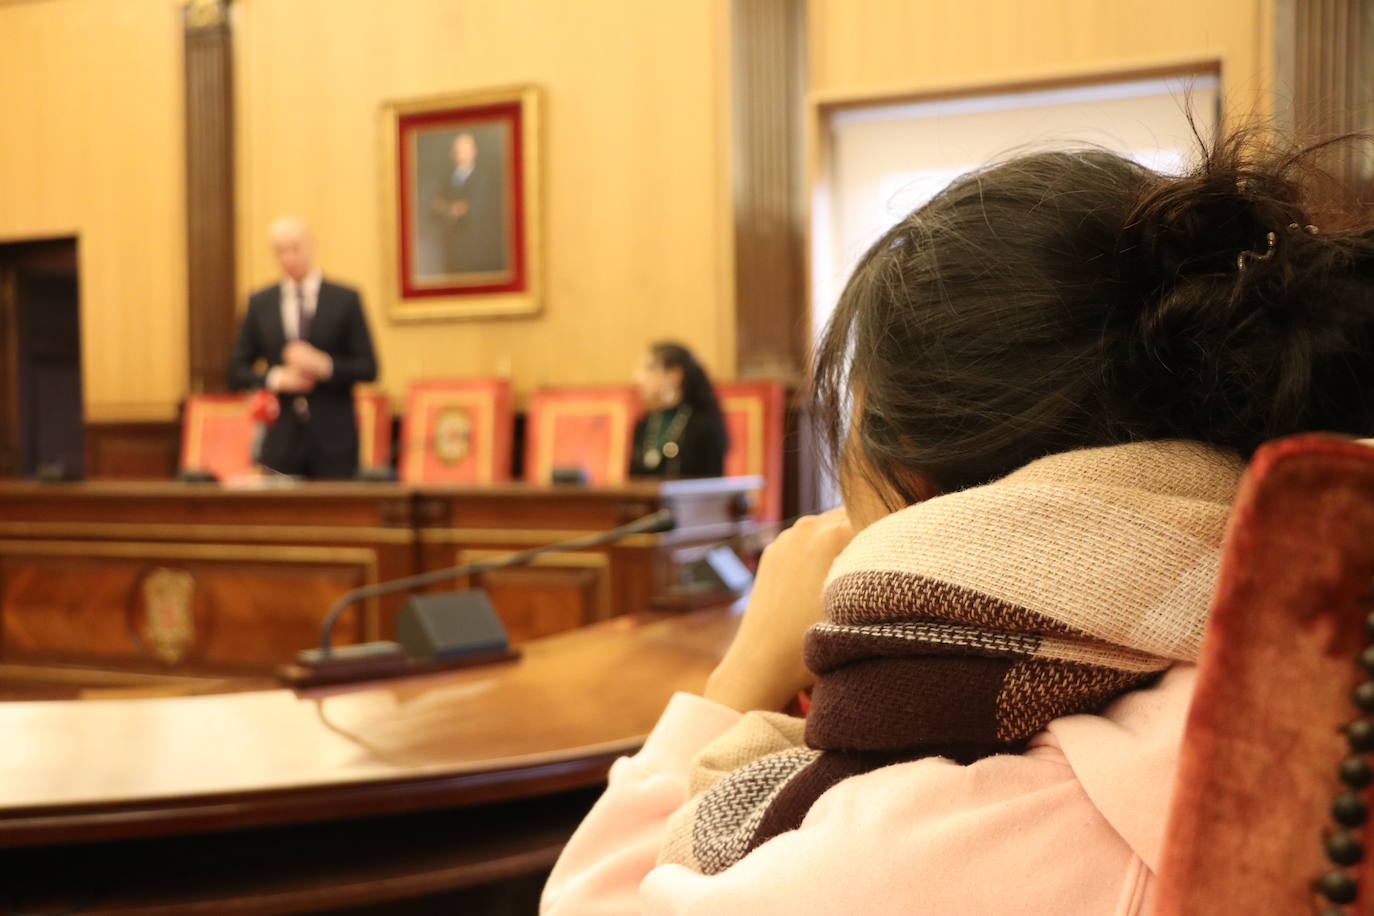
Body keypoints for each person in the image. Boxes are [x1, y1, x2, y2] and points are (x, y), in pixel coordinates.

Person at [541, 131, 1374, 914]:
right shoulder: (1286, 684)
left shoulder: (921, 834)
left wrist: (735, 681)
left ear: (907, 467)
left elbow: (589, 899)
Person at [227, 217, 378, 479]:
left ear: (310, 246)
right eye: (280, 251)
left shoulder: (345, 299)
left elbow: (369, 368)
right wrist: (277, 378)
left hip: (334, 440)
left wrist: (325, 365)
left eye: (294, 248)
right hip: (280, 439)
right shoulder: (261, 303)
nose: (288, 257)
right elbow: (235, 371)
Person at [630, 342, 728, 478]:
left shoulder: (704, 425)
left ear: (674, 375)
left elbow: (712, 487)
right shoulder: (643, 424)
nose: (638, 377)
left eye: (649, 368)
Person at [429, 131, 506, 275]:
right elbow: (435, 209)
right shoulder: (445, 180)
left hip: (475, 249)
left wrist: (448, 208)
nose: (461, 154)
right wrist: (451, 208)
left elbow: (470, 209)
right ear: (452, 153)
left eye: (465, 150)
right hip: (451, 249)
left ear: (474, 152)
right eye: (458, 150)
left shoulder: (483, 179)